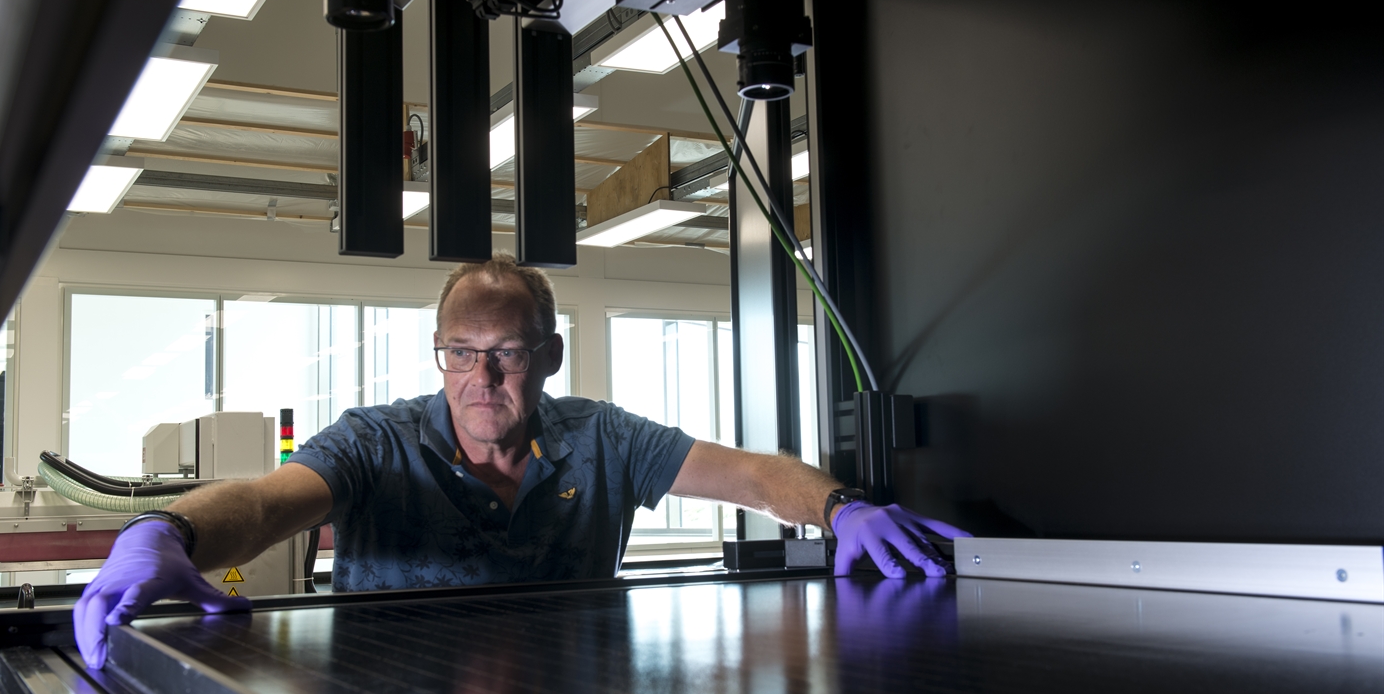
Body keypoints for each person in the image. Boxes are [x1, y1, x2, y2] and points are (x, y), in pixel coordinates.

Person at [73, 255, 969, 667]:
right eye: (461, 351)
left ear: (547, 355)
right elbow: (270, 502)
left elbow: (750, 475)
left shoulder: (605, 438)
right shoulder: (378, 440)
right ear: (440, 354)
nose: (483, 376)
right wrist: (168, 528)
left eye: (506, 351)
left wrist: (842, 505)